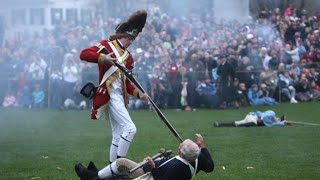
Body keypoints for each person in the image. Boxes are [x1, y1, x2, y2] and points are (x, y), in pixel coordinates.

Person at [79, 10, 148, 164]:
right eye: (130, 38)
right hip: (108, 95)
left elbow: (127, 83)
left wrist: (139, 94)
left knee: (117, 135)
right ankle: (120, 164)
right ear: (122, 35)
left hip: (119, 96)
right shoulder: (106, 46)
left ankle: (112, 169)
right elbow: (83, 54)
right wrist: (102, 58)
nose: (131, 42)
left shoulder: (129, 58)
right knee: (130, 129)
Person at [74, 134, 214, 180]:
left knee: (121, 163)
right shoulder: (196, 156)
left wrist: (153, 167)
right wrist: (202, 146)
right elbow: (210, 166)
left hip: (148, 175)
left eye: (180, 146)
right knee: (120, 171)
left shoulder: (179, 168)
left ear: (182, 153)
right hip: (150, 169)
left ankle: (92, 177)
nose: (179, 146)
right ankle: (96, 174)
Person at [213, 110, 289, 127]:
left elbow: (276, 124)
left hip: (250, 119)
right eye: (279, 118)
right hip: (252, 118)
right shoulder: (272, 114)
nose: (278, 119)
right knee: (253, 124)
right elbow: (263, 114)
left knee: (236, 123)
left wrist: (283, 123)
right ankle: (240, 125)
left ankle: (219, 124)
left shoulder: (272, 122)